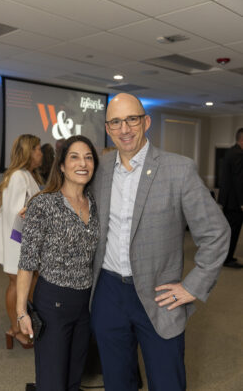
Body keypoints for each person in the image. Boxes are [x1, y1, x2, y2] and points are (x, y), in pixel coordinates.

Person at [90, 93, 230, 391]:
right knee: (116, 381)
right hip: (108, 292)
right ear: (108, 128)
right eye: (116, 122)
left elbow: (217, 233)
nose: (124, 129)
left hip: (159, 295)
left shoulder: (178, 169)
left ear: (146, 122)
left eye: (132, 119)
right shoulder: (99, 170)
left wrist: (192, 286)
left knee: (167, 381)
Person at [16, 135, 100, 391]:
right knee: (52, 381)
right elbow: (27, 262)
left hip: (85, 304)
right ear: (62, 166)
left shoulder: (95, 204)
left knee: (75, 379)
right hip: (53, 302)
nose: (82, 163)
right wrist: (21, 311)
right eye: (74, 157)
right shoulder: (43, 204)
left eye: (88, 157)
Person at [0, 134, 42, 349]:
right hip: (17, 244)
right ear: (29, 152)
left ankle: (20, 327)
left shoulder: (25, 175)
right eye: (37, 149)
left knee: (24, 285)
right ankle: (16, 329)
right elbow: (16, 214)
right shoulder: (19, 176)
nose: (41, 153)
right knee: (17, 284)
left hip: (19, 242)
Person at [218, 128, 243, 268]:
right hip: (235, 202)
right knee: (233, 231)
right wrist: (242, 202)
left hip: (228, 200)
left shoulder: (231, 151)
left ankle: (226, 257)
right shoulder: (239, 154)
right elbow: (239, 180)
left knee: (229, 231)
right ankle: (227, 259)